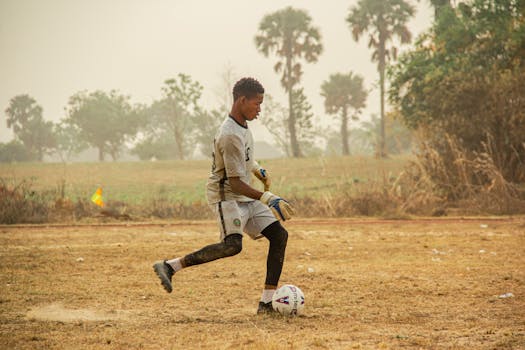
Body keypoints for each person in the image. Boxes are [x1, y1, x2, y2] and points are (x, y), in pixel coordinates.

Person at [153, 77, 294, 314]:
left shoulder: (242, 126)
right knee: (232, 246)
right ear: (242, 100)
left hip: (245, 196)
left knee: (279, 236)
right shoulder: (229, 134)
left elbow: (243, 158)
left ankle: (266, 303)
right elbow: (236, 183)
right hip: (226, 196)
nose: (260, 109)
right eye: (257, 104)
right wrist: (268, 197)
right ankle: (170, 266)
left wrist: (256, 168)